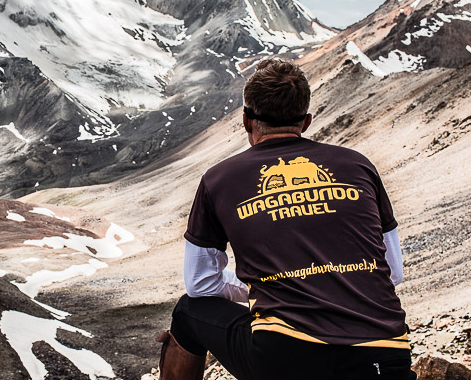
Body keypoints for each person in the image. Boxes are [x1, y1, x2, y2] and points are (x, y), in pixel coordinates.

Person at [156, 58, 414, 380]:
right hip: (386, 355)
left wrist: (263, 285)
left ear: (247, 120)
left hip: (286, 355)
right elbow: (393, 271)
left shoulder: (219, 180)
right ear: (306, 121)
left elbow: (200, 285)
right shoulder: (358, 166)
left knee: (188, 311)